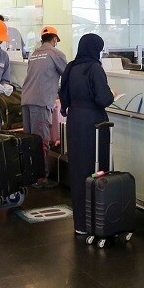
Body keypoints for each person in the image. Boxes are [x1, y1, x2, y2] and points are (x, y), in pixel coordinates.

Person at [59, 33, 114, 235]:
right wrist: (112, 95)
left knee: (78, 171)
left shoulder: (71, 67)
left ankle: (81, 224)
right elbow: (103, 98)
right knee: (96, 169)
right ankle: (97, 221)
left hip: (74, 121)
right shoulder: (94, 68)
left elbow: (63, 94)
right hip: (94, 123)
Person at [21, 26, 67, 187]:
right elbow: (68, 75)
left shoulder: (34, 54)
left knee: (29, 141)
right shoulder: (56, 53)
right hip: (40, 102)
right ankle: (40, 178)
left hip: (26, 99)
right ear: (55, 39)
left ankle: (29, 175)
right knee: (41, 141)